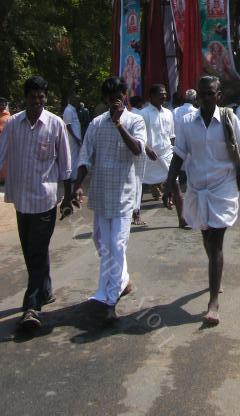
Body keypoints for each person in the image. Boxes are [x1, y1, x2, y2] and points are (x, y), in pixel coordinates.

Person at [165, 75, 240, 326]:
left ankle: (213, 302)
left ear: (219, 96)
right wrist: (169, 184)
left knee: (215, 242)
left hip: (223, 188)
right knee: (206, 238)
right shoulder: (186, 123)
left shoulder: (229, 119)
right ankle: (216, 272)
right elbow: (178, 156)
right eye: (201, 93)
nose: (205, 98)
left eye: (210, 93)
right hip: (197, 189)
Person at [67, 76, 146, 325]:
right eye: (111, 97)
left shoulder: (135, 121)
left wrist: (119, 125)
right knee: (101, 242)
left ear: (124, 96)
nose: (116, 100)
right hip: (101, 193)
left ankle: (109, 300)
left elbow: (137, 150)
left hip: (123, 194)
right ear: (105, 100)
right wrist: (77, 184)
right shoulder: (95, 124)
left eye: (119, 96)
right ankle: (120, 282)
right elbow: (85, 156)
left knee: (117, 245)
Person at [0, 76, 70, 329]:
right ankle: (46, 289)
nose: (38, 101)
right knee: (32, 251)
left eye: (42, 96)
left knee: (37, 250)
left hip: (45, 200)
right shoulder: (12, 124)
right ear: (25, 97)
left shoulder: (55, 124)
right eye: (33, 96)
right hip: (21, 199)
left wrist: (69, 196)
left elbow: (65, 164)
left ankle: (31, 306)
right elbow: (2, 154)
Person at [141, 84, 187, 228]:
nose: (164, 96)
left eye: (165, 94)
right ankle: (135, 213)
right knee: (139, 186)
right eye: (161, 94)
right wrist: (147, 148)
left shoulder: (168, 113)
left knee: (176, 185)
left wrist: (175, 153)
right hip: (148, 157)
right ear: (151, 97)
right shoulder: (143, 114)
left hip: (166, 155)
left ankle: (182, 219)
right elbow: (139, 137)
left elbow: (171, 136)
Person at [129, 96, 147, 226]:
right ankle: (136, 215)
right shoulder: (140, 115)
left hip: (130, 156)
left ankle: (134, 214)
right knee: (137, 185)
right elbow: (142, 139)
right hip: (139, 153)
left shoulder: (129, 115)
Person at [63, 94, 82, 185]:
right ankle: (70, 177)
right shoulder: (68, 110)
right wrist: (76, 138)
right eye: (76, 100)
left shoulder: (73, 110)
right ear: (71, 100)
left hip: (76, 139)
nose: (77, 102)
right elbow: (68, 126)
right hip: (72, 139)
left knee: (75, 157)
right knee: (72, 157)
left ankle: (74, 176)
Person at [0, 97, 11, 184]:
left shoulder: (8, 117)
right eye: (1, 104)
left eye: (4, 104)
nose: (3, 106)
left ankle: (2, 178)